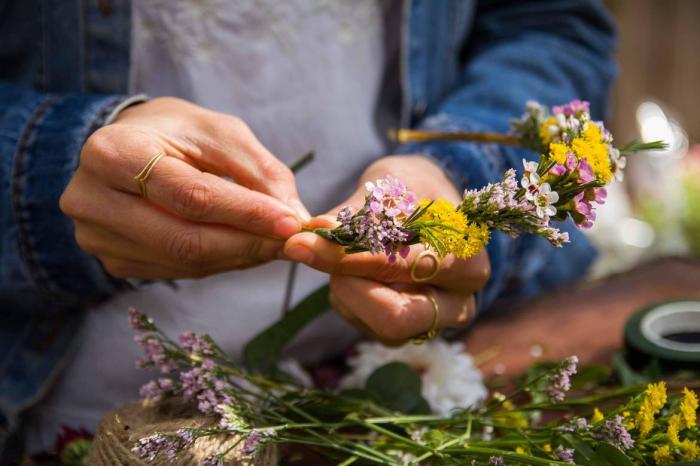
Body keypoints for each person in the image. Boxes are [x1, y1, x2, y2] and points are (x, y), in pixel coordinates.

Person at [0, 0, 616, 457]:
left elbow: (550, 22)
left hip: (438, 373)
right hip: (88, 402)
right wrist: (53, 164)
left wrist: (453, 176)